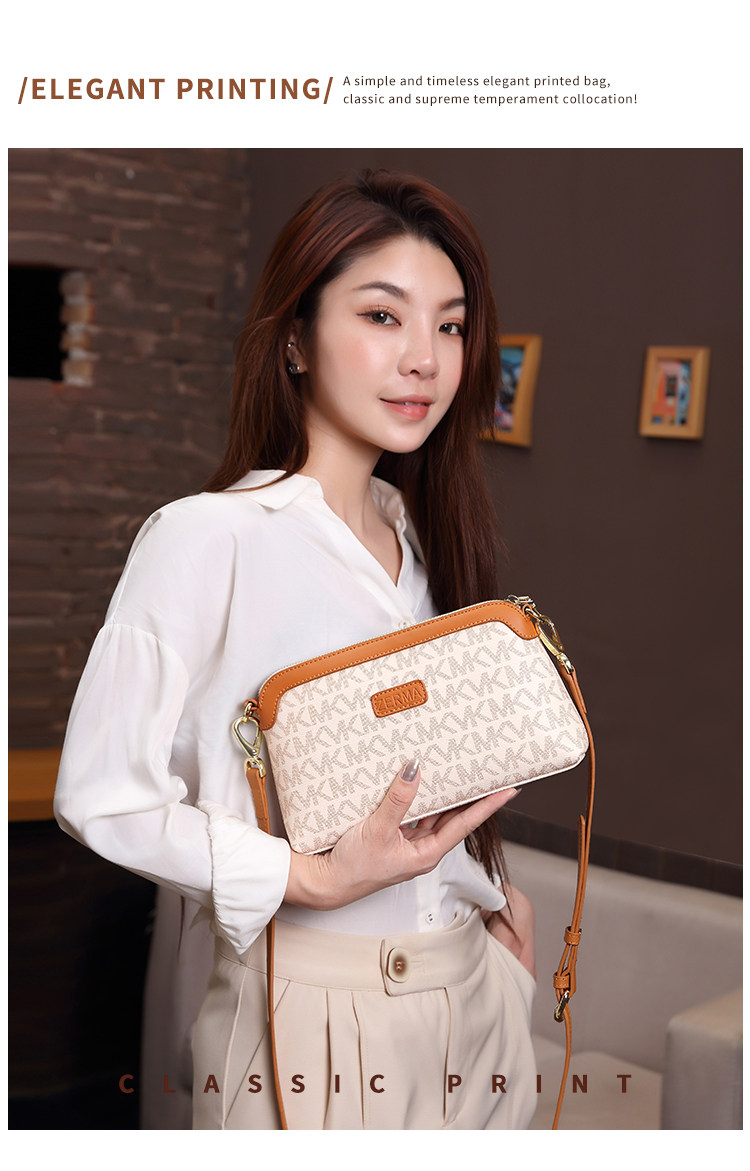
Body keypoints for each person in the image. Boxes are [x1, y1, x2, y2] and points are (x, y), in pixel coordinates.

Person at [54, 169, 537, 1131]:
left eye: (449, 326)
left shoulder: (427, 539)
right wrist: (306, 877)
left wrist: (496, 918)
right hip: (312, 1014)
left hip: (476, 998)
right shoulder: (208, 539)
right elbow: (100, 794)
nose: (424, 359)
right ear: (295, 339)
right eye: (382, 315)